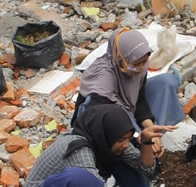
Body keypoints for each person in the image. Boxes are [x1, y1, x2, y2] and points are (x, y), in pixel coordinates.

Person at [18, 105, 174, 187]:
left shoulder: (107, 141)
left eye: (128, 138)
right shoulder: (78, 148)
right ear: (105, 133)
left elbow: (146, 169)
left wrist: (146, 141)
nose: (126, 144)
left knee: (119, 159)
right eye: (121, 139)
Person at [75, 28, 186, 157]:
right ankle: (134, 141)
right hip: (103, 118)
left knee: (166, 81)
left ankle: (156, 133)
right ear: (121, 58)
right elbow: (107, 117)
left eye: (144, 62)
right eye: (135, 64)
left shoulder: (139, 66)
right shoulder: (102, 78)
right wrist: (138, 136)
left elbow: (139, 100)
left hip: (126, 108)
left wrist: (150, 128)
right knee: (121, 114)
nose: (141, 67)